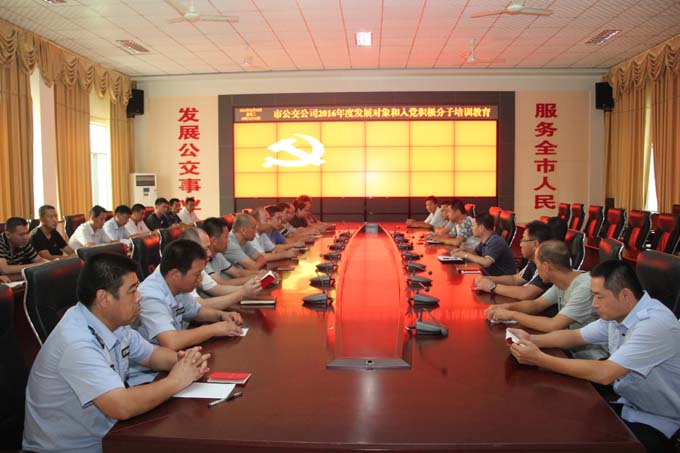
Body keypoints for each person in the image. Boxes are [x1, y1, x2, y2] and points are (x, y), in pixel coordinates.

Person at [22, 253, 211, 453]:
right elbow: (122, 406)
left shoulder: (114, 324)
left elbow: (152, 356)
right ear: (103, 298)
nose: (140, 297)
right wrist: (177, 380)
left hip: (110, 435)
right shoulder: (76, 342)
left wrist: (186, 361)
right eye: (132, 291)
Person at [507, 260, 680, 452]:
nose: (594, 304)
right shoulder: (619, 313)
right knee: (559, 413)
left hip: (659, 421)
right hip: (629, 403)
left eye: (599, 296)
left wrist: (539, 358)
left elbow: (605, 373)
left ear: (625, 295)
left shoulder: (654, 324)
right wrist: (531, 339)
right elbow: (575, 336)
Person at [487, 240, 607, 359]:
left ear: (546, 267)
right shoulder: (562, 281)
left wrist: (512, 314)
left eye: (537, 265)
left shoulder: (584, 287)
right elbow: (536, 304)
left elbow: (553, 325)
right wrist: (506, 307)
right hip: (568, 348)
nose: (537, 271)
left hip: (592, 357)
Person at [134, 239, 243, 353]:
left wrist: (221, 315)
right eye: (197, 274)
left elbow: (196, 311)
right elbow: (172, 341)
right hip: (155, 363)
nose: (200, 279)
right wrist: (214, 329)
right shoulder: (150, 296)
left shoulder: (176, 284)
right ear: (176, 274)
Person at [474, 220, 553, 300]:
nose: (520, 244)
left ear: (535, 244)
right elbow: (515, 279)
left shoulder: (546, 266)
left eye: (523, 240)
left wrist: (492, 287)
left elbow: (526, 293)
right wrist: (487, 279)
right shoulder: (533, 261)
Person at [450, 213, 516, 276]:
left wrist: (465, 255)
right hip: (489, 275)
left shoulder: (495, 241)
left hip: (501, 279)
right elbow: (475, 253)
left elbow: (486, 262)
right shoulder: (484, 240)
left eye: (473, 226)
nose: (472, 228)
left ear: (481, 228)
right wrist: (463, 250)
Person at [201, 217, 262, 285]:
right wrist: (256, 277)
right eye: (226, 237)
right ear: (214, 240)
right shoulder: (202, 260)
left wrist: (260, 273)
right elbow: (222, 284)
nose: (228, 241)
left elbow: (237, 273)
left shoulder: (218, 255)